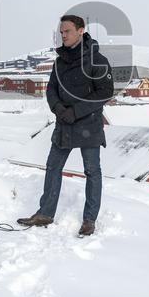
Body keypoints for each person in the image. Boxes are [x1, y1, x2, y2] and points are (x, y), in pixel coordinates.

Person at [18, 15, 114, 237]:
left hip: (88, 123)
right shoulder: (60, 61)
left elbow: (105, 92)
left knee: (92, 171)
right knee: (53, 166)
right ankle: (45, 213)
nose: (63, 35)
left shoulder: (97, 60)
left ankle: (89, 220)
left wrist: (76, 111)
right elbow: (51, 88)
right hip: (64, 124)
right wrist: (59, 109)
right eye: (61, 32)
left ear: (81, 31)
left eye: (67, 31)